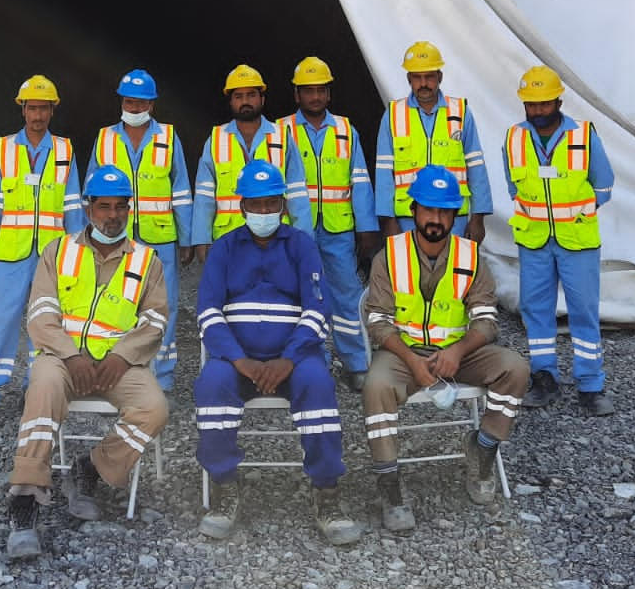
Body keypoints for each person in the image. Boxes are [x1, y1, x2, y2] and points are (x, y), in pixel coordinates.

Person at [5, 165, 170, 559]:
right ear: (88, 208)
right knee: (42, 388)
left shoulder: (147, 260)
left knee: (155, 408)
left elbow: (155, 321)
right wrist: (71, 355)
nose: (113, 216)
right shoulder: (57, 251)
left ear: (129, 209)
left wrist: (123, 356)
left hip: (118, 365)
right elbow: (40, 315)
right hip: (63, 359)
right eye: (104, 207)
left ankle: (90, 469)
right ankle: (25, 499)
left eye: (120, 207)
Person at [194, 161, 363, 546]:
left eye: (271, 204)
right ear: (242, 207)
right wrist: (239, 360)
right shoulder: (223, 248)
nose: (264, 212)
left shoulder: (302, 245)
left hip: (295, 358)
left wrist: (288, 358)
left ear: (283, 206)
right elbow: (207, 312)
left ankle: (327, 493)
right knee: (211, 385)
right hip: (237, 360)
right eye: (256, 205)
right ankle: (224, 488)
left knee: (319, 385)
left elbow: (318, 309)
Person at [362, 165, 528, 522]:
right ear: (413, 210)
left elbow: (486, 320)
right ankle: (390, 490)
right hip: (403, 353)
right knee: (376, 386)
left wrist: (458, 351)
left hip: (458, 353)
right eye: (428, 209)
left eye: (444, 211)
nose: (436, 219)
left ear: (455, 215)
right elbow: (377, 322)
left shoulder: (471, 256)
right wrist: (413, 361)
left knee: (515, 368)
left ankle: (482, 452)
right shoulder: (389, 255)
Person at [0, 75, 85, 430]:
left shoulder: (64, 151)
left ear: (52, 111)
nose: (38, 115)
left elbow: (73, 208)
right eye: (32, 108)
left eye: (44, 108)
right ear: (23, 109)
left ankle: (36, 391)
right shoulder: (3, 150)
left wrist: (76, 257)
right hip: (10, 255)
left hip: (51, 256)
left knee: (45, 325)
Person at [500, 66, 616, 416]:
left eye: (544, 103)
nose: (537, 110)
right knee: (536, 312)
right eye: (531, 104)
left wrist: (575, 213)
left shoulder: (584, 135)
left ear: (559, 102)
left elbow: (604, 185)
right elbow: (513, 187)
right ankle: (544, 378)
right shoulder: (513, 138)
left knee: (583, 312)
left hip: (577, 241)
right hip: (534, 242)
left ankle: (591, 386)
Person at [86, 68, 192, 390]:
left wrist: (187, 239)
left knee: (163, 307)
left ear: (152, 105)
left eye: (141, 102)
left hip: (160, 238)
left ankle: (163, 379)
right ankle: (121, 376)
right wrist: (87, 236)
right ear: (122, 102)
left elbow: (181, 191)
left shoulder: (168, 137)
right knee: (117, 302)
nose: (134, 108)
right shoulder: (105, 138)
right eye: (129, 102)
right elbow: (90, 192)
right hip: (115, 237)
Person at [279, 55, 376, 391]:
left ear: (329, 93)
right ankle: (311, 363)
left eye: (321, 90)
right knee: (301, 296)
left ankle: (356, 364)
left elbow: (360, 181)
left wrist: (366, 227)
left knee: (347, 295)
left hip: (339, 229)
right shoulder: (281, 131)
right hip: (296, 229)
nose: (315, 96)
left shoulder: (346, 131)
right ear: (297, 94)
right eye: (308, 90)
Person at [374, 40, 493, 241]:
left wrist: (478, 218)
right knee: (410, 263)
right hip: (408, 216)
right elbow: (384, 171)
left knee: (453, 261)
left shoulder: (461, 112)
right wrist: (388, 220)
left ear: (440, 77)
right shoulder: (393, 115)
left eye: (429, 76)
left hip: (453, 214)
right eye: (417, 77)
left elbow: (476, 166)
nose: (423, 84)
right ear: (408, 79)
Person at [191, 64, 312, 250]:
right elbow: (204, 196)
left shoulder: (282, 137)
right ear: (230, 101)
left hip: (276, 237)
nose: (245, 101)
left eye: (251, 95)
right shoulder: (216, 139)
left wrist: (304, 240)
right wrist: (201, 239)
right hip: (228, 239)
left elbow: (297, 193)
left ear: (262, 99)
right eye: (238, 96)